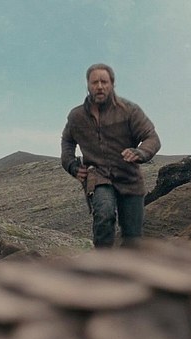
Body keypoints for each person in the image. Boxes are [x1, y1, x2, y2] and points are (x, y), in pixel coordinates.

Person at [61, 63, 161, 248]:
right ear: (88, 85)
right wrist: (71, 165)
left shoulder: (130, 111)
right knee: (104, 214)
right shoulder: (76, 116)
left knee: (132, 237)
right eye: (95, 82)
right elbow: (67, 142)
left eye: (104, 82)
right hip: (98, 176)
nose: (99, 86)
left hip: (129, 177)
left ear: (112, 84)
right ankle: (102, 262)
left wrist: (140, 152)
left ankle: (126, 264)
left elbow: (152, 138)